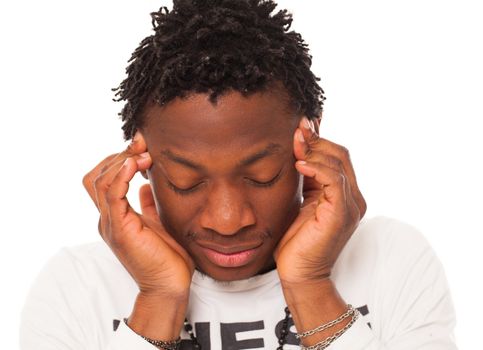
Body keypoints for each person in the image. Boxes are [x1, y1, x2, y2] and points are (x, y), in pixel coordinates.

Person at [20, 0, 457, 349]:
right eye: (186, 181)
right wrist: (158, 299)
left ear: (309, 141)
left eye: (262, 175)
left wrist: (311, 286)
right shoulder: (77, 286)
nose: (228, 220)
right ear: (141, 159)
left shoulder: (390, 258)